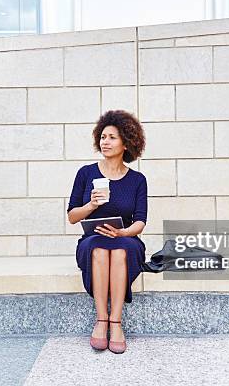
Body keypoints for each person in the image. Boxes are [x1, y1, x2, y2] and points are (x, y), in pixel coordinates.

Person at [66, 110, 148, 354]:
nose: (105, 142)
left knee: (121, 252)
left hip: (126, 239)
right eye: (103, 137)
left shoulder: (137, 180)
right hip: (92, 238)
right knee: (100, 249)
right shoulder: (86, 173)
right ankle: (101, 320)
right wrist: (91, 205)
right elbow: (72, 217)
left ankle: (116, 321)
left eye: (112, 137)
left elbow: (140, 222)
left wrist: (123, 234)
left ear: (126, 143)